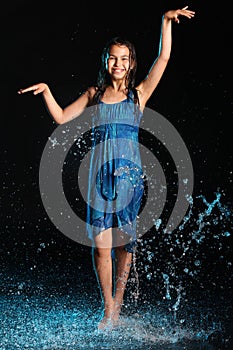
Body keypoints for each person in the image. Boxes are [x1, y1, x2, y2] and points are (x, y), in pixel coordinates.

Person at [18, 6, 195, 330]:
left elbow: (163, 60)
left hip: (129, 181)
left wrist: (165, 22)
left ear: (131, 63)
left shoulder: (137, 95)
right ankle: (109, 307)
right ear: (105, 61)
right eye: (113, 58)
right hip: (99, 181)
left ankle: (118, 304)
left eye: (124, 58)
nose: (118, 63)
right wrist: (46, 91)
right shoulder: (94, 95)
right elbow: (60, 117)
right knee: (102, 247)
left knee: (126, 246)